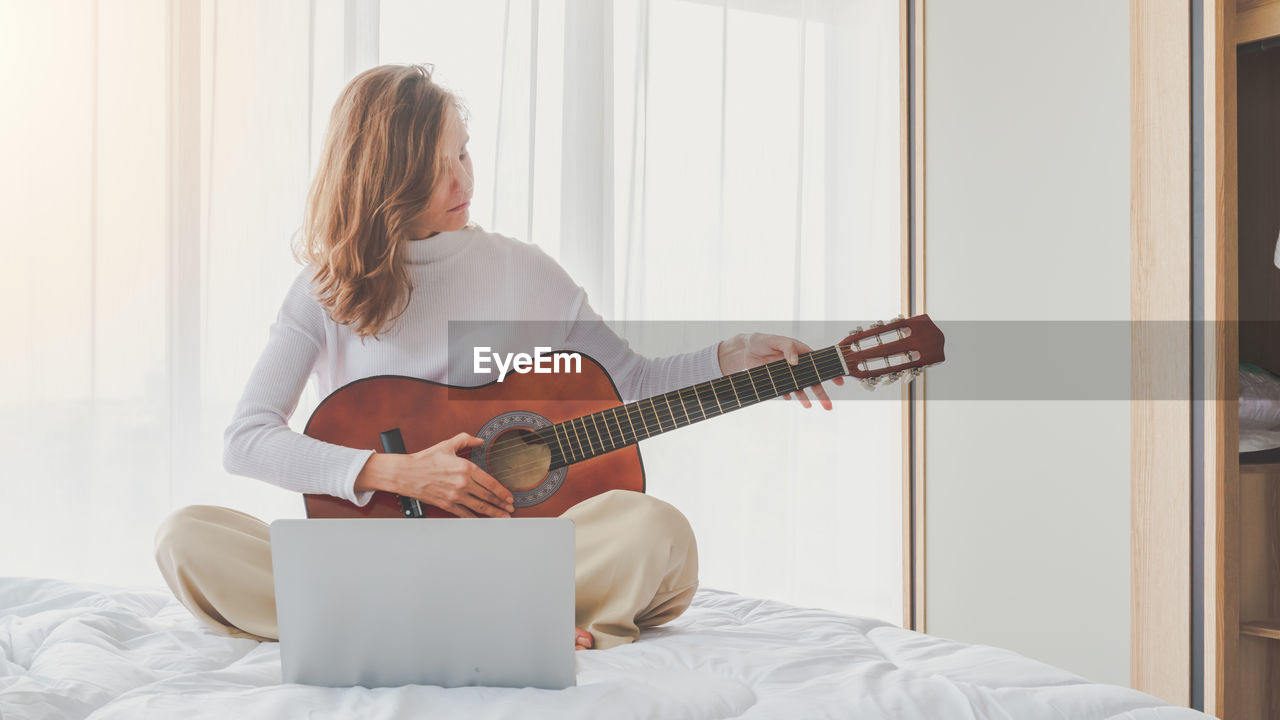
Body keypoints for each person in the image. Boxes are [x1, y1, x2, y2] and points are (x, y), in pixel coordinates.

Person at [153, 63, 843, 652]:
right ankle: (495, 623)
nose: (462, 180)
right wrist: (400, 472)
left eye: (464, 153)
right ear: (384, 179)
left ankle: (411, 626)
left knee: (657, 533)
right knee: (187, 538)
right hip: (382, 559)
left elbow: (631, 384)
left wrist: (734, 356)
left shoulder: (524, 272)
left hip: (511, 558)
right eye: (436, 168)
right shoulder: (323, 290)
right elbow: (247, 440)